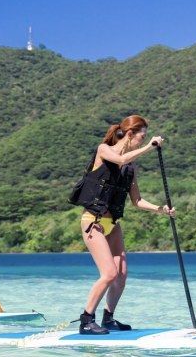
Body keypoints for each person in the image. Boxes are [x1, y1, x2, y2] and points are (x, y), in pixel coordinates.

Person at [72, 115, 175, 334]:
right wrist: (149, 147)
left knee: (121, 273)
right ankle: (86, 320)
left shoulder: (131, 169)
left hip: (113, 224)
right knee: (108, 273)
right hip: (94, 222)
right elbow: (119, 160)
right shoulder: (104, 150)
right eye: (142, 136)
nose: (143, 140)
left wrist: (161, 209)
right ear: (130, 134)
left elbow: (137, 201)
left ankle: (108, 318)